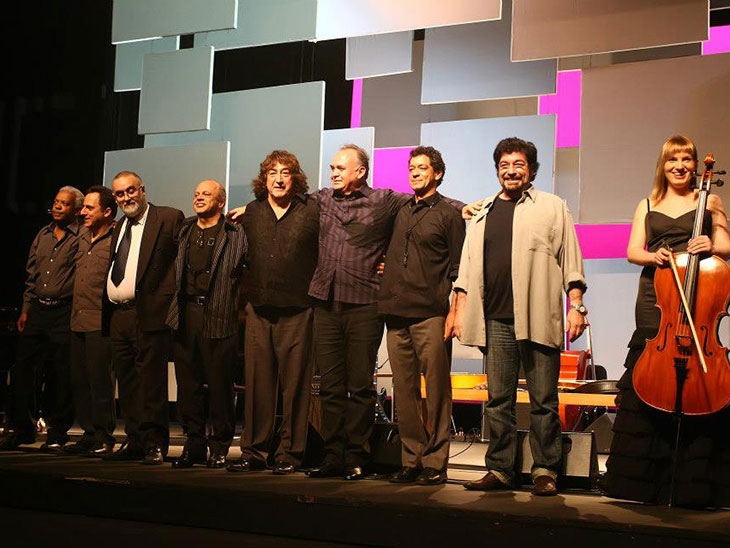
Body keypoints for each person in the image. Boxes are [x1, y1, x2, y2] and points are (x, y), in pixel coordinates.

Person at [453, 137, 587, 496]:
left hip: (539, 316)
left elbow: (571, 260)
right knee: (499, 400)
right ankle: (500, 470)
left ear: (532, 170)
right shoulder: (483, 212)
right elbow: (467, 268)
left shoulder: (553, 206)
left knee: (544, 400)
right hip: (495, 319)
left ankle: (545, 469)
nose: (511, 171)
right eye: (504, 165)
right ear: (497, 170)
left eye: (518, 164)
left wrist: (576, 305)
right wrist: (459, 310)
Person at [605, 135, 730, 507]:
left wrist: (711, 245)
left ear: (695, 166)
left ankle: (692, 481)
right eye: (673, 159)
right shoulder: (647, 203)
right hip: (657, 295)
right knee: (649, 375)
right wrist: (653, 256)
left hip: (699, 293)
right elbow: (632, 251)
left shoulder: (710, 201)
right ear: (663, 165)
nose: (680, 166)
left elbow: (726, 246)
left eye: (686, 159)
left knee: (696, 383)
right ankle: (644, 482)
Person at [226, 151, 319, 475]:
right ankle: (254, 452)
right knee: (258, 385)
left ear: (296, 178)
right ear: (264, 179)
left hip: (298, 309)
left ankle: (290, 454)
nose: (279, 179)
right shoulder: (252, 212)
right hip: (259, 310)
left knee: (296, 388)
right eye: (272, 173)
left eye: (285, 173)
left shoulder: (311, 210)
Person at [378, 146, 465, 485]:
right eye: (411, 167)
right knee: (404, 391)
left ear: (437, 173)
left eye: (422, 168)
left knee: (437, 391)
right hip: (396, 313)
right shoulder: (400, 210)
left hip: (430, 313)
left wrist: (454, 312)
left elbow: (458, 269)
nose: (415, 172)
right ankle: (411, 459)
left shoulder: (448, 214)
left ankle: (436, 462)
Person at [102, 171, 184, 465]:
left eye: (131, 191)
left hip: (150, 312)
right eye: (120, 194)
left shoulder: (168, 217)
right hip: (119, 315)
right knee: (127, 382)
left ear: (143, 190)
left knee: (151, 382)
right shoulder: (119, 227)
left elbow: (180, 262)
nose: (126, 198)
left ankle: (154, 443)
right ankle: (134, 439)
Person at [167, 180, 247, 469]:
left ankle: (220, 445)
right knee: (188, 385)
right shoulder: (184, 229)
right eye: (197, 194)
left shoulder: (235, 232)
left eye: (206, 194)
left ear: (221, 202)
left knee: (219, 384)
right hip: (186, 314)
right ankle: (194, 444)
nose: (199, 198)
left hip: (220, 315)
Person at [0, 187, 83, 451]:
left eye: (65, 203)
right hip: (37, 310)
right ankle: (22, 429)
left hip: (64, 311)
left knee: (61, 374)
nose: (58, 206)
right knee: (23, 371)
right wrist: (26, 308)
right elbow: (31, 275)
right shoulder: (42, 234)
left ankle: (57, 433)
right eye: (56, 202)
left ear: (76, 210)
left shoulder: (81, 236)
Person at [64, 186, 118, 456]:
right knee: (81, 381)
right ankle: (88, 433)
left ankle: (103, 436)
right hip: (77, 319)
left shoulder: (116, 239)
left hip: (100, 320)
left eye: (89, 208)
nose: (82, 212)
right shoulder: (82, 237)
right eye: (83, 207)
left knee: (100, 382)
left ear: (107, 212)